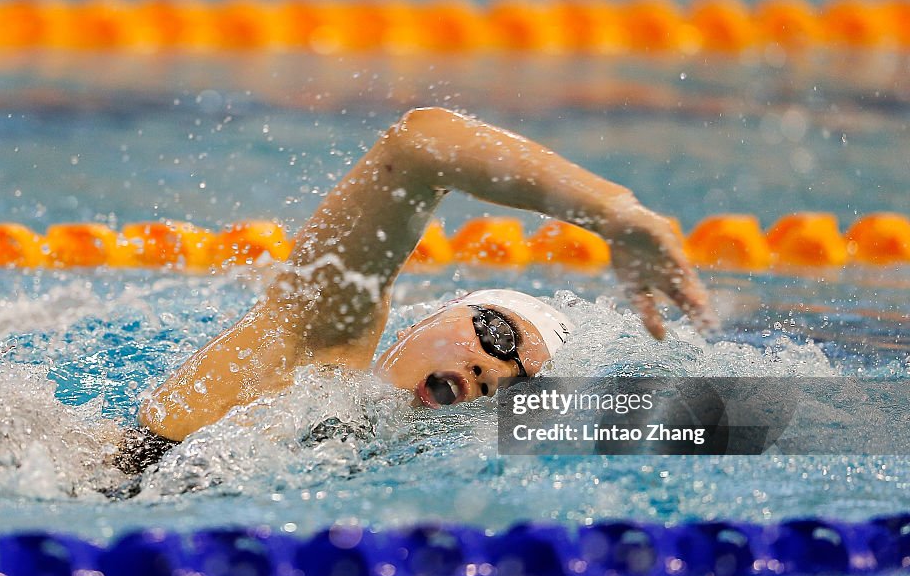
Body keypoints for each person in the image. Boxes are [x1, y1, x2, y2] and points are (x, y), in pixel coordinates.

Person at [112, 107, 714, 475]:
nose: (491, 370)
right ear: (427, 321)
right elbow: (419, 146)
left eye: (521, 383)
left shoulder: (384, 460)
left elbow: (757, 418)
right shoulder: (316, 348)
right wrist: (613, 210)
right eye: (497, 333)